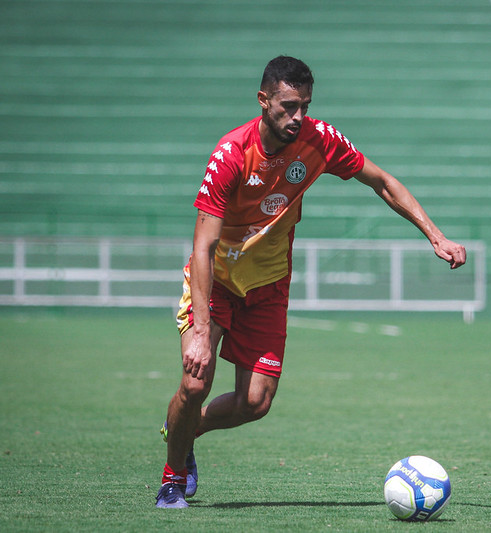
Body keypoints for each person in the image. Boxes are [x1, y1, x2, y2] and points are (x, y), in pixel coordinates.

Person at [155, 56, 467, 508]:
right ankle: (172, 476)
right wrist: (201, 332)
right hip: (216, 282)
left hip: (269, 287)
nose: (298, 116)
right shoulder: (230, 155)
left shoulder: (319, 141)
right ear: (263, 101)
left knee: (255, 403)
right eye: (288, 106)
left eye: (304, 105)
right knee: (196, 380)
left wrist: (436, 235)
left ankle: (187, 430)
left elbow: (380, 181)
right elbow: (202, 247)